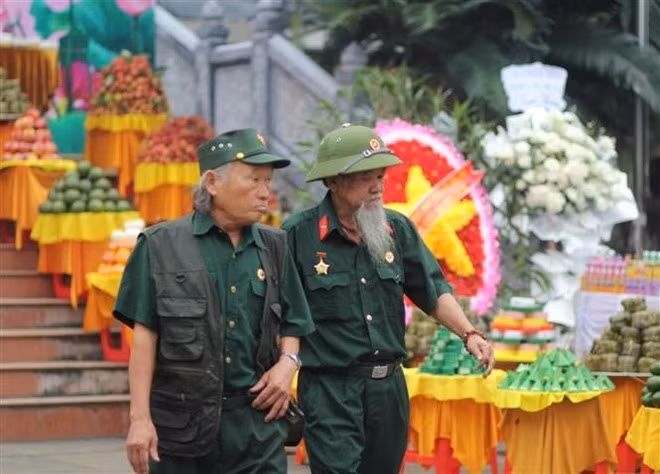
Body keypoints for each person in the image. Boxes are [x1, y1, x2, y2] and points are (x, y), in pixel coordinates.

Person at [281, 124, 495, 474]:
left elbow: (432, 289)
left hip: (389, 389)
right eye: (366, 177)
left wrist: (470, 334)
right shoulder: (298, 236)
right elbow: (281, 312)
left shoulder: (398, 230)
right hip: (330, 388)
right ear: (333, 181)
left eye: (380, 176)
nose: (377, 186)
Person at [113, 128, 315, 474]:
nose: (266, 192)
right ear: (212, 182)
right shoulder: (159, 246)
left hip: (256, 428)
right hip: (180, 430)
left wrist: (287, 364)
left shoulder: (276, 246)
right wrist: (139, 420)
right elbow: (144, 342)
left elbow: (294, 321)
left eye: (268, 182)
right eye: (254, 180)